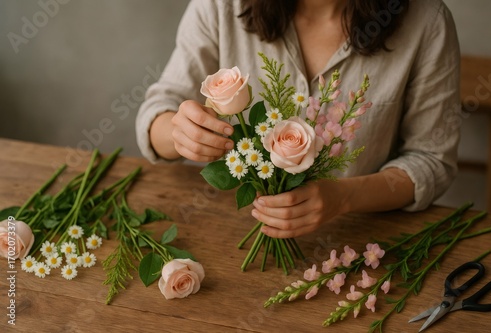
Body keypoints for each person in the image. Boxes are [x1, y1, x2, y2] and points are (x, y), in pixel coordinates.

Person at [136, 0, 461, 239]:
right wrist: (176, 131)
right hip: (230, 235)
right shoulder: (219, 6)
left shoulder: (427, 22)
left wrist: (344, 197)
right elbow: (159, 110)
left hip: (361, 245)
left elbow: (432, 160)